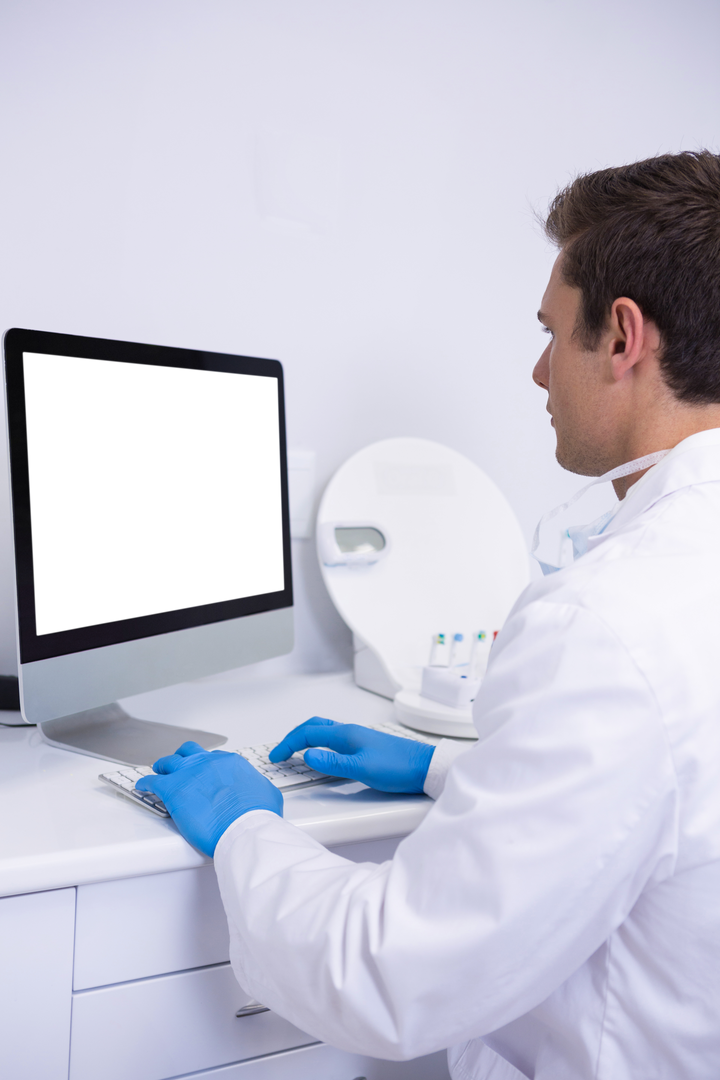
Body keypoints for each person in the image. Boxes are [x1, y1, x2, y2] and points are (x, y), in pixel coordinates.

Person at [137, 150, 720, 1080]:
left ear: (622, 338)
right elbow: (672, 802)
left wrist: (250, 828)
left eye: (550, 331)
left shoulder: (609, 624)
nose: (537, 372)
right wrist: (450, 768)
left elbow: (386, 977)